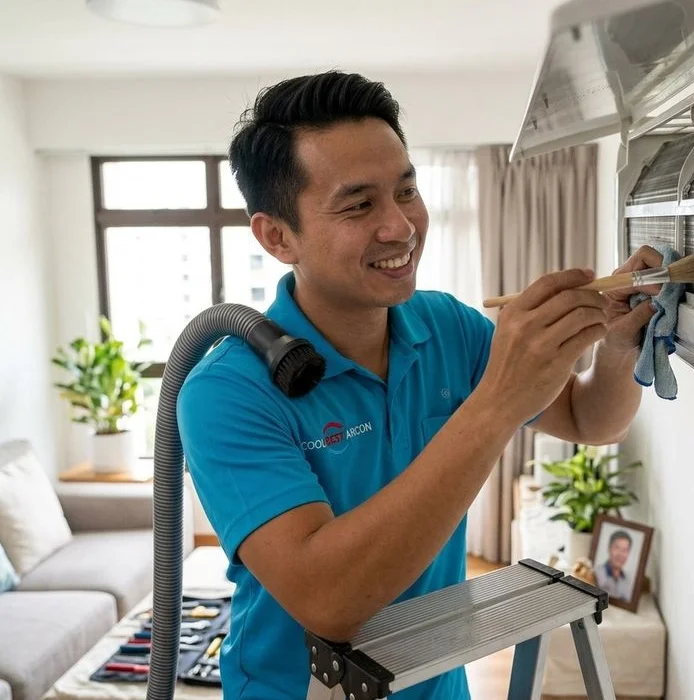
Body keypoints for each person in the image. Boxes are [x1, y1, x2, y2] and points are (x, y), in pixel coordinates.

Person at [177, 70, 662, 700]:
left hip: (435, 680)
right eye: (359, 205)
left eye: (407, 190)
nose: (401, 227)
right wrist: (495, 405)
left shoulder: (446, 326)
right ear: (277, 236)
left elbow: (591, 420)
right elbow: (329, 600)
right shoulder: (227, 391)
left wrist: (621, 344)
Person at [594, 530, 634, 601]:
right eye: (617, 548)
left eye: (624, 550)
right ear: (609, 549)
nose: (620, 554)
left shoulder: (629, 581)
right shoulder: (595, 573)